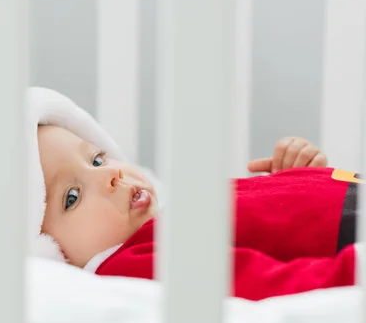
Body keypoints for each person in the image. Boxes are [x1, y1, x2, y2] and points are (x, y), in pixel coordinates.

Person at [38, 125, 359, 301]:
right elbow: (260, 284)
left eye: (96, 160)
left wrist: (295, 172)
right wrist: (351, 273)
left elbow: (267, 221)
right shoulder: (130, 266)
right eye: (72, 197)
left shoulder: (172, 216)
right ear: (50, 249)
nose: (109, 176)